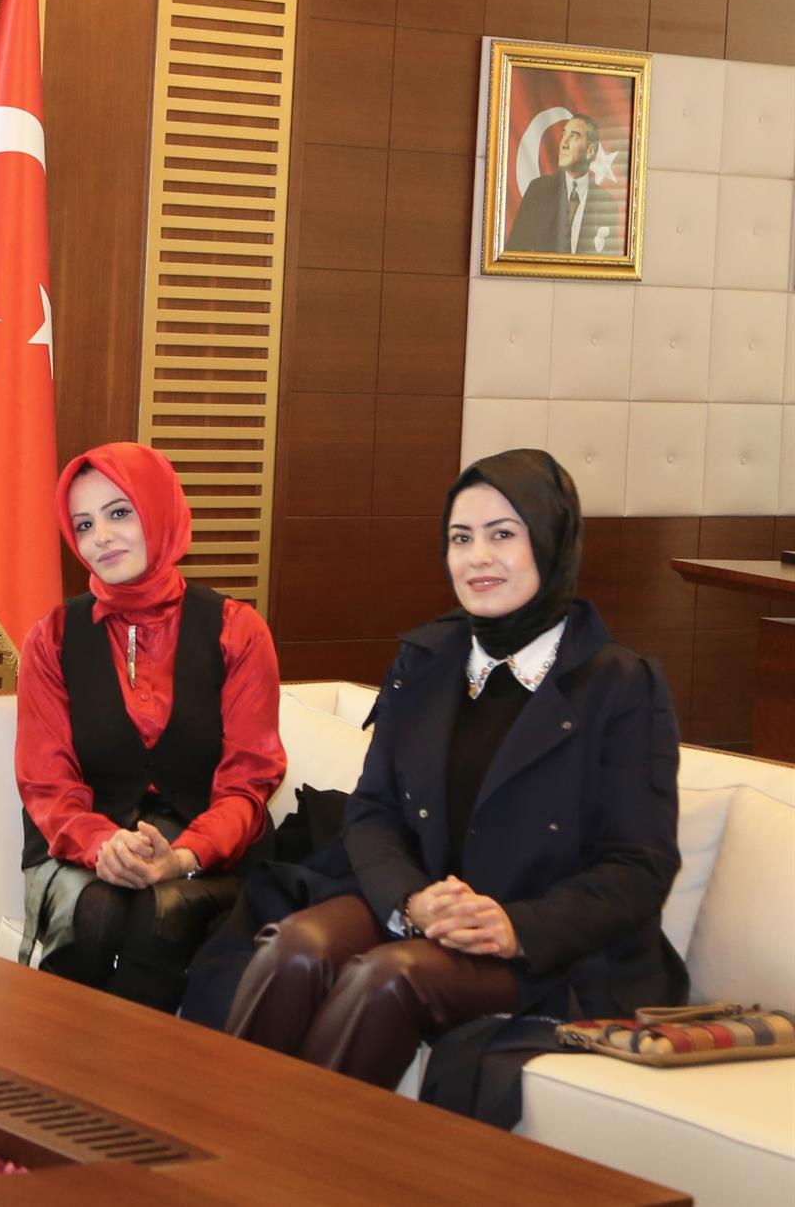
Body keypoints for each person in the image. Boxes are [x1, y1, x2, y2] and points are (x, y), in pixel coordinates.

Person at [222, 448, 685, 1096]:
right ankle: (218, 1139)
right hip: (424, 906)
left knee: (387, 978)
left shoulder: (620, 685)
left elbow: (641, 865)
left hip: (547, 947)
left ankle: (299, 1156)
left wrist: (516, 926)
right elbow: (373, 811)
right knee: (296, 948)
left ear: (551, 541)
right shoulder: (426, 659)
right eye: (461, 538)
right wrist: (410, 901)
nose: (478, 558)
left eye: (503, 534)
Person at [14, 442, 287, 1012]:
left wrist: (183, 856)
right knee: (97, 911)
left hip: (209, 848)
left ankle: (111, 1063)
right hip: (79, 842)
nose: (102, 538)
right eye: (84, 524)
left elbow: (248, 782)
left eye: (120, 513)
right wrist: (102, 843)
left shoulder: (237, 630)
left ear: (160, 510)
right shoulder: (53, 638)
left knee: (161, 912)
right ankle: (58, 1051)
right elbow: (46, 782)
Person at [504, 113, 624, 255]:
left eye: (573, 136)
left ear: (590, 151)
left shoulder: (607, 203)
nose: (563, 144)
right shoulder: (538, 191)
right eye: (564, 135)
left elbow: (611, 260)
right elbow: (514, 252)